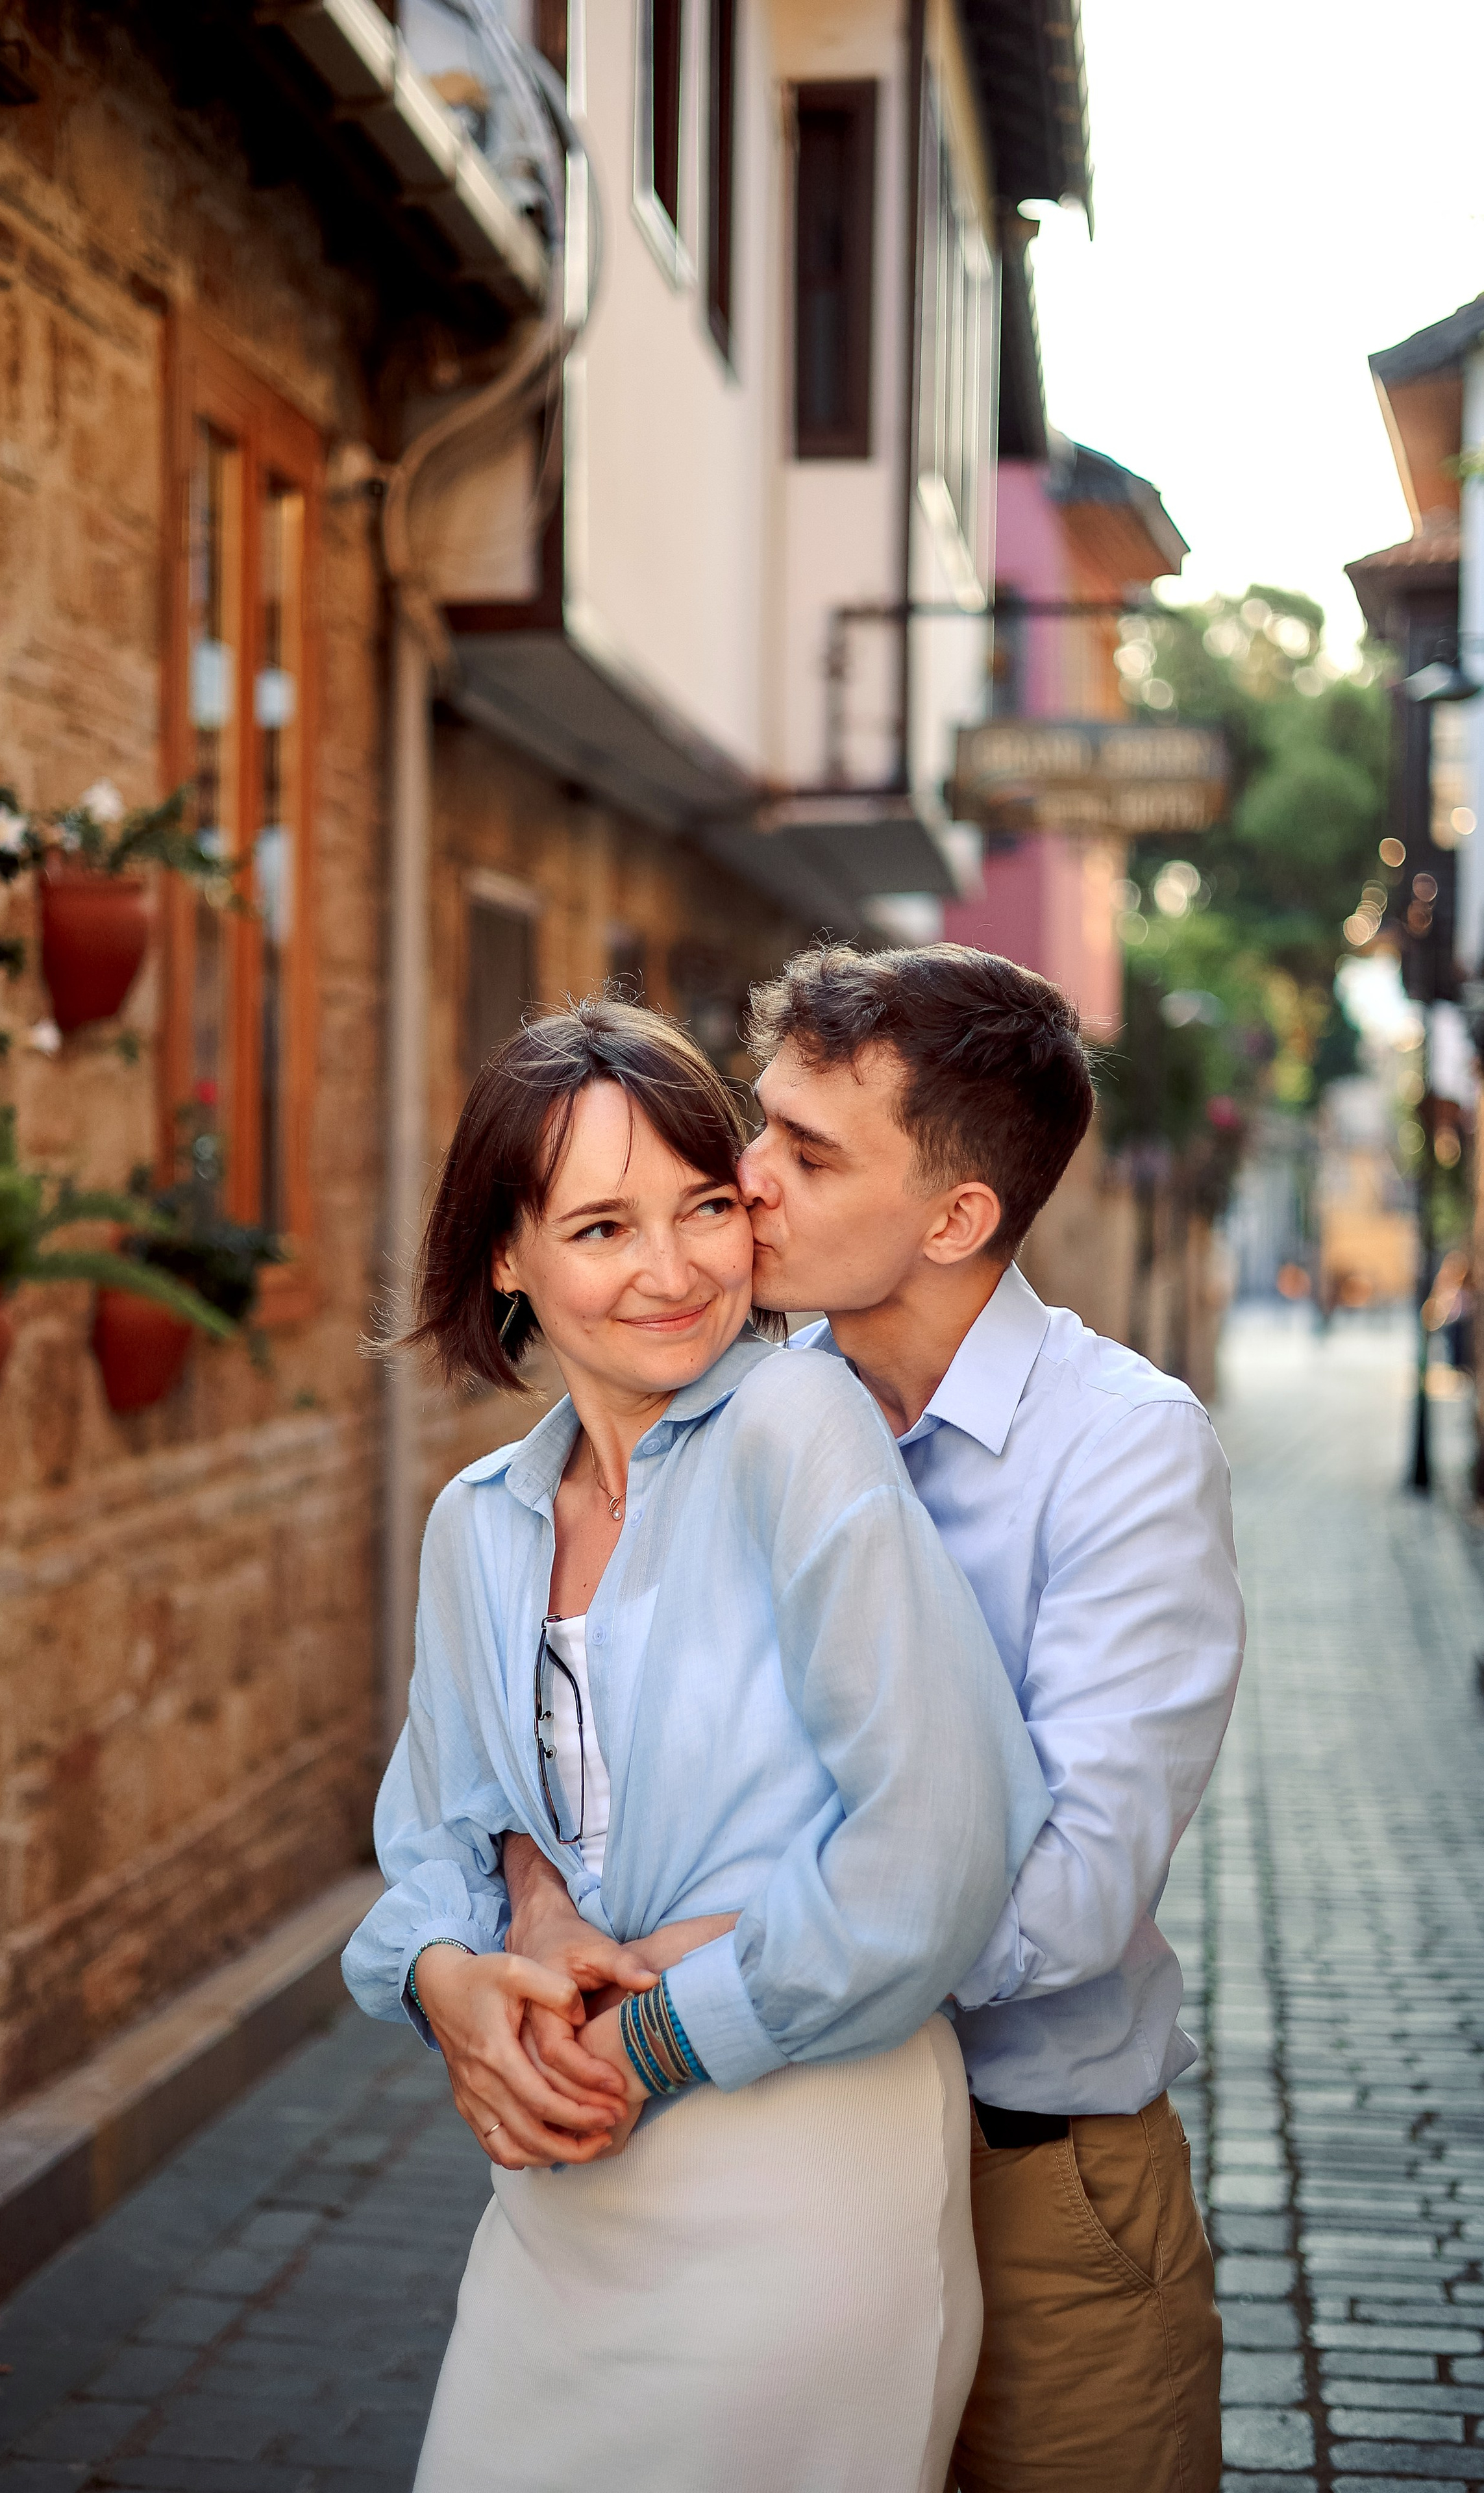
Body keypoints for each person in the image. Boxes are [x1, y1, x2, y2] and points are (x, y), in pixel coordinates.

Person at [505, 945, 1244, 2493]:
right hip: (762, 2168)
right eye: (758, 1126)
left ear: (956, 1218)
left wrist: (719, 1956)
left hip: (1027, 2188)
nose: (744, 1182)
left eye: (806, 1152)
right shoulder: (731, 1407)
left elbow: (1071, 1894)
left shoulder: (1120, 1454)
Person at [342, 997, 1050, 2493]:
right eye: (599, 1228)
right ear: (504, 1255)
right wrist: (448, 1984)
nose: (671, 1273)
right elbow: (433, 1842)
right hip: (557, 2199)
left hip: (799, 2171)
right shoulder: (476, 1524)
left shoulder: (798, 1425)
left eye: (704, 1207)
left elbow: (934, 1855)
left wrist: (652, 2032)